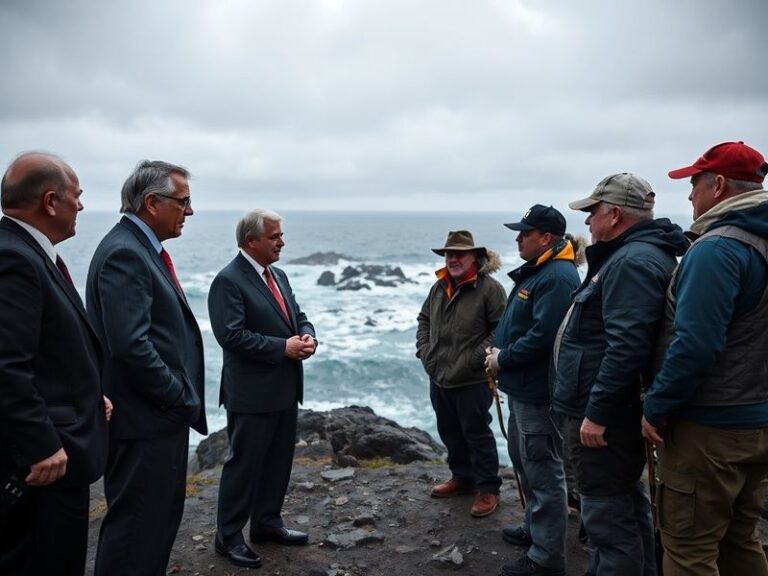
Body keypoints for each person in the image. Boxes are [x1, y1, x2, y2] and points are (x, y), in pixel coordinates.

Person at [551, 173, 687, 576]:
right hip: (613, 408)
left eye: (592, 212)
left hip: (606, 415)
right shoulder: (633, 255)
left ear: (614, 214)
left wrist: (597, 413)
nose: (587, 222)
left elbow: (627, 347)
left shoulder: (632, 261)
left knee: (607, 518)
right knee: (626, 504)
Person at [642, 141, 768, 576]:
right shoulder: (761, 240)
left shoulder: (717, 250)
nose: (690, 195)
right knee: (740, 537)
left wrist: (656, 407)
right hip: (758, 419)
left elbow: (695, 344)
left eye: (694, 184)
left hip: (711, 427)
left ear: (717, 185)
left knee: (687, 548)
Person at [88, 160, 207, 576]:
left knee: (152, 527)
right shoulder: (125, 252)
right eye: (183, 201)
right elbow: (130, 345)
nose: (189, 211)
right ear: (152, 203)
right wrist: (176, 394)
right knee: (137, 530)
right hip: (145, 421)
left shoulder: (138, 248)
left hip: (153, 418)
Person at [0, 152, 108, 576]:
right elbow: (7, 364)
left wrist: (90, 392)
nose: (80, 205)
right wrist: (41, 444)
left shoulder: (28, 252)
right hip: (46, 462)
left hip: (58, 444)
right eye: (76, 196)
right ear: (50, 201)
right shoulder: (15, 260)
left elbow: (47, 351)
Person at [209, 209, 316, 568]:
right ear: (250, 241)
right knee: (244, 466)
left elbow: (296, 315)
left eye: (281, 235)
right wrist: (282, 348)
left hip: (285, 388)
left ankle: (267, 523)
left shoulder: (278, 274)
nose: (282, 242)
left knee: (277, 463)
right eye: (275, 237)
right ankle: (227, 537)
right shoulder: (229, 280)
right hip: (252, 394)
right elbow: (231, 336)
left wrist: (307, 335)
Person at [485, 205, 581, 576]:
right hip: (523, 389)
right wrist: (500, 351)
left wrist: (503, 358)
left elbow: (544, 336)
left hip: (539, 392)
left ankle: (546, 559)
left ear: (546, 238)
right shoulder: (542, 270)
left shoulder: (557, 276)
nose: (517, 238)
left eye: (524, 232)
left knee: (543, 472)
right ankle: (534, 529)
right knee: (525, 462)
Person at [416, 230, 506, 518]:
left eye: (459, 254)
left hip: (473, 377)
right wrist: (425, 351)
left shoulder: (489, 289)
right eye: (449, 253)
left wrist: (473, 359)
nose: (453, 259)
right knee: (449, 429)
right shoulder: (440, 286)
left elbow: (500, 330)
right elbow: (424, 319)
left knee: (477, 432)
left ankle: (489, 487)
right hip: (440, 373)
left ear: (475, 257)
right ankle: (463, 478)